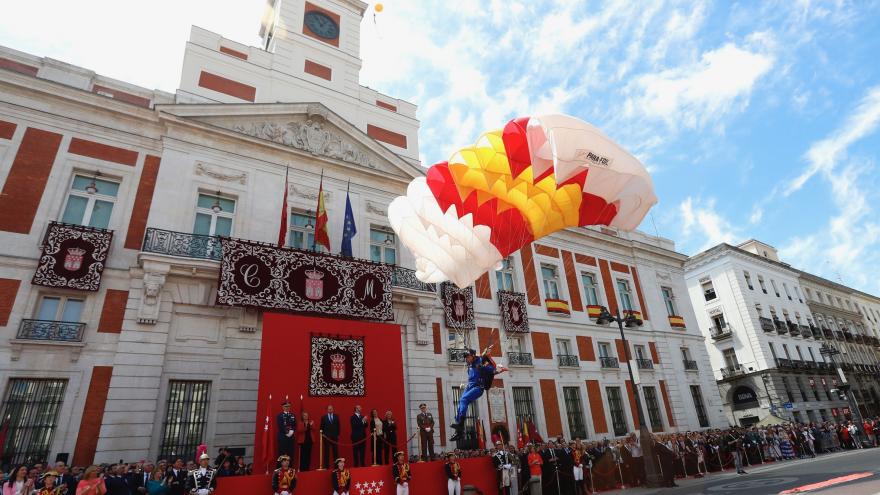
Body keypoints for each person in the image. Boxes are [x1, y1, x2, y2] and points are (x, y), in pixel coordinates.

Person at [450, 349, 496, 441]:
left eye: (468, 357)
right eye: (466, 358)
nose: (466, 359)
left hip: (478, 387)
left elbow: (493, 369)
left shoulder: (481, 360)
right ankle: (459, 431)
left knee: (464, 400)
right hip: (469, 386)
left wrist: (482, 367)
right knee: (460, 405)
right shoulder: (469, 365)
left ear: (473, 356)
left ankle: (461, 425)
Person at [321, 405, 341, 470]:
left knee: (335, 452)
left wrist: (338, 434)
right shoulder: (323, 417)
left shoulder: (336, 416)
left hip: (334, 437)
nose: (330, 410)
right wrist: (323, 435)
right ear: (327, 410)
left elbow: (338, 426)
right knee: (326, 452)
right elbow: (321, 427)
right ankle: (326, 466)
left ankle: (336, 466)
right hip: (326, 437)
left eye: (331, 409)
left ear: (333, 409)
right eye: (329, 409)